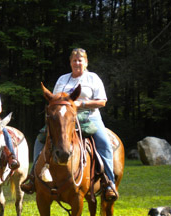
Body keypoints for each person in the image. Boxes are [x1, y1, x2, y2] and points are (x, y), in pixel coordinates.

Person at [21, 48, 117, 201]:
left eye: (80, 60)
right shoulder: (62, 79)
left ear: (86, 62)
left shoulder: (93, 78)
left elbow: (102, 102)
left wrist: (81, 103)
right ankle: (33, 178)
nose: (77, 63)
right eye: (74, 60)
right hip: (63, 118)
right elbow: (54, 100)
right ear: (70, 63)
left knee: (104, 143)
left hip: (89, 116)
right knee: (40, 139)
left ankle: (108, 182)